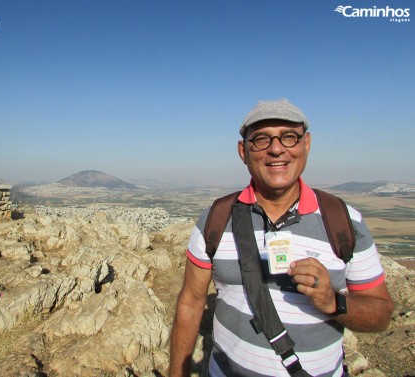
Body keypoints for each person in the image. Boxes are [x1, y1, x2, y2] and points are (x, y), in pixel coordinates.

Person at [169, 99, 394, 377]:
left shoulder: (344, 222)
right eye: (261, 139)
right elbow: (191, 301)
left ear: (306, 144)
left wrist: (333, 301)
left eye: (289, 137)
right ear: (243, 151)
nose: (276, 149)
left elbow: (381, 313)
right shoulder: (215, 218)